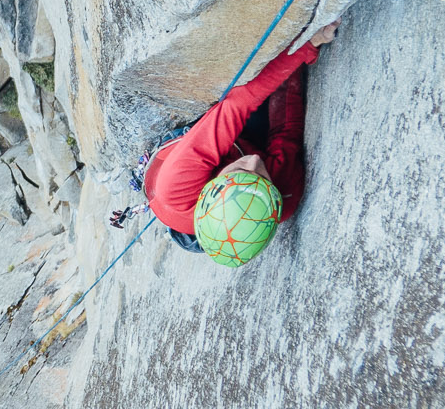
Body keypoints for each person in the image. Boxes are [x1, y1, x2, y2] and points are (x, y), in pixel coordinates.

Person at [141, 21, 338, 267]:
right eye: (262, 177)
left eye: (242, 174)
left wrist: (303, 47)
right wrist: (302, 52)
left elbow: (238, 103)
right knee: (261, 94)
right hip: (216, 169)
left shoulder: (176, 186)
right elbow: (285, 132)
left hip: (177, 180)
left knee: (240, 82)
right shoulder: (279, 197)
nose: (254, 162)